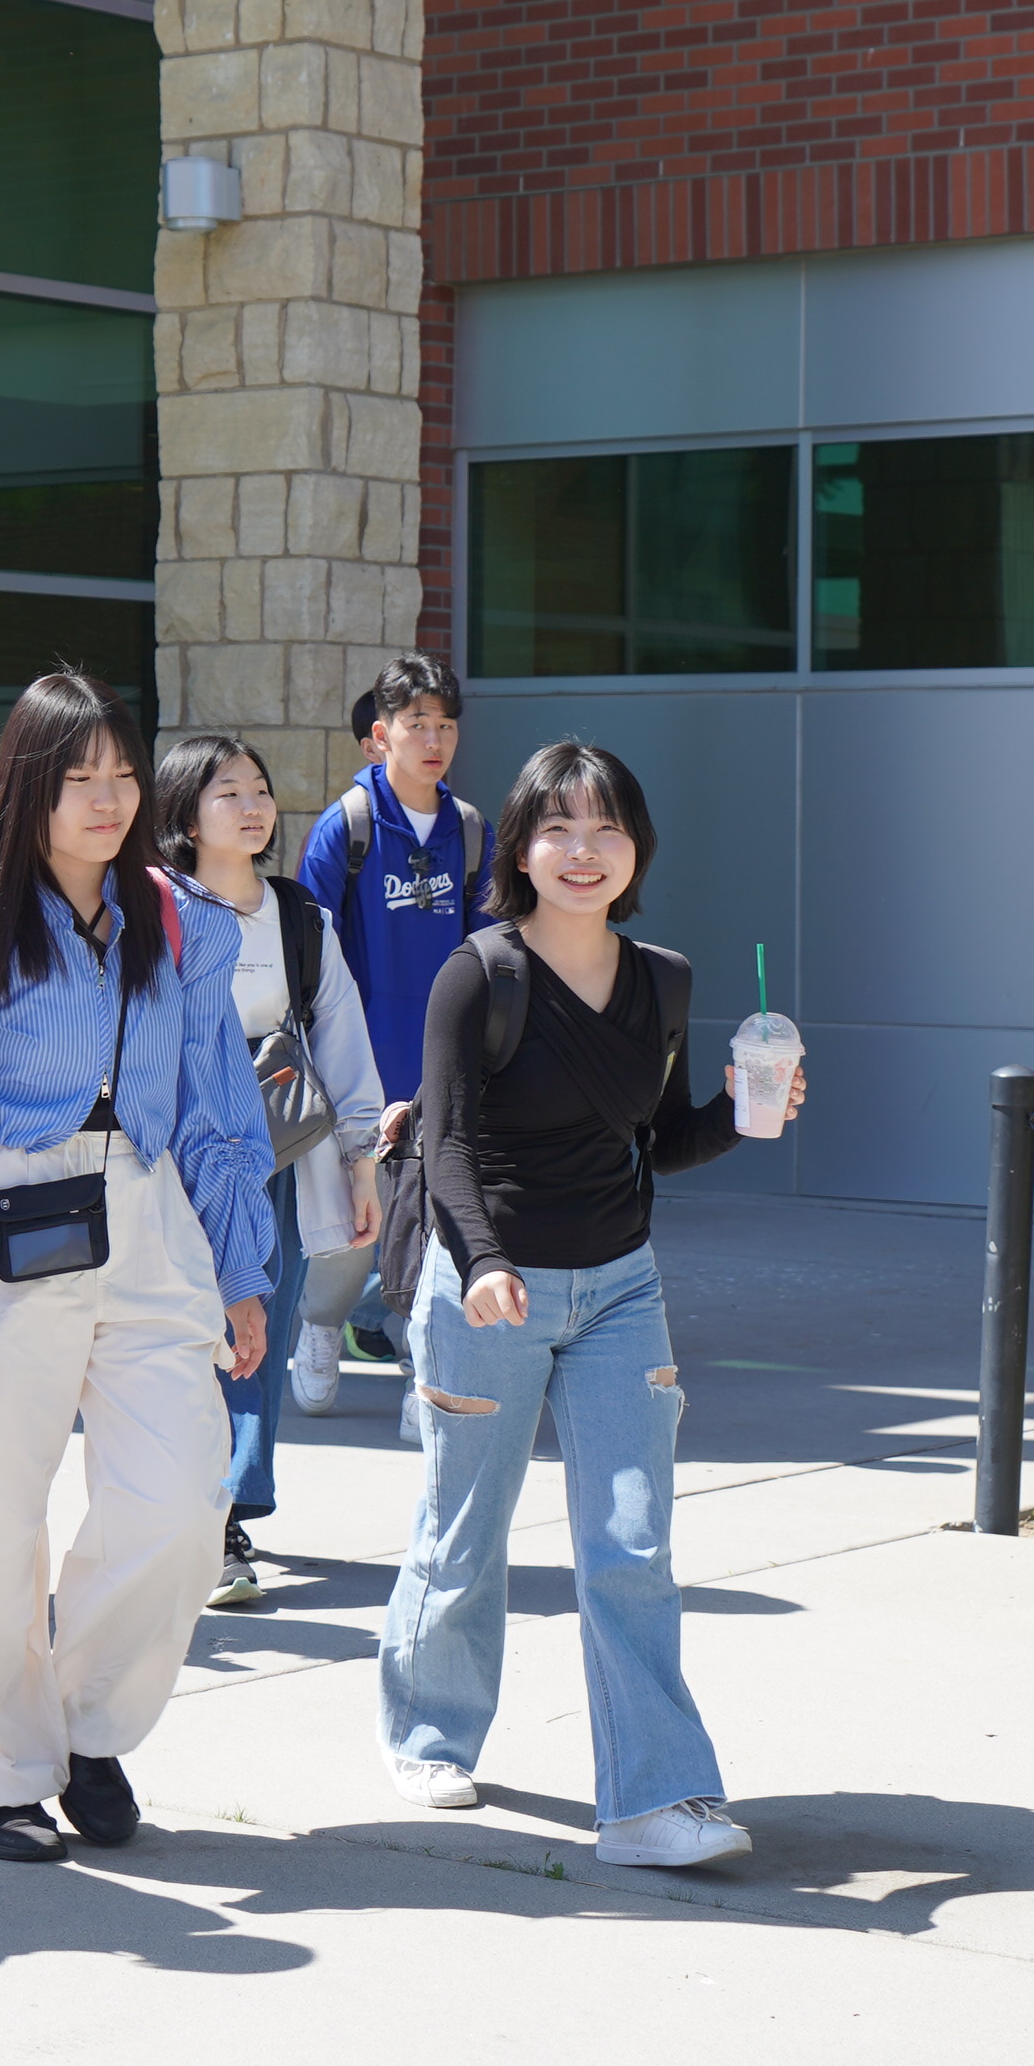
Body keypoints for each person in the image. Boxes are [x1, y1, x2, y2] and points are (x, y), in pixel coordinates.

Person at [0, 670, 279, 1863]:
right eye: (79, 776)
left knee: (181, 1502)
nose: (107, 798)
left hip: (149, 1221)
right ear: (30, 789)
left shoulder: (185, 924)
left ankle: (91, 1730)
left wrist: (242, 1268)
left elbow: (218, 1108)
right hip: (8, 1223)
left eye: (122, 774)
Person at [375, 739, 807, 1871]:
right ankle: (427, 1732)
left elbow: (659, 1141)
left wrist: (742, 1108)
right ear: (519, 845)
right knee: (465, 1528)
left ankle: (651, 1801)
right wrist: (476, 1261)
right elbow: (448, 1140)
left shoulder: (662, 978)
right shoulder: (480, 971)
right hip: (491, 1285)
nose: (582, 849)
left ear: (635, 849)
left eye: (605, 827)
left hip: (622, 1284)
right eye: (558, 827)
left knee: (633, 1543)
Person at [150, 732, 385, 1606]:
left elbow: (342, 1042)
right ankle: (184, 1503)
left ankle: (228, 1517)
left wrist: (362, 1163)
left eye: (259, 791)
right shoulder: (153, 909)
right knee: (180, 1329)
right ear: (184, 809)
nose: (253, 807)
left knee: (260, 1326)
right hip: (168, 1152)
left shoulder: (298, 916)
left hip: (277, 1150)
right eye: (228, 793)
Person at [294, 652, 495, 1398]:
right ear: (381, 735)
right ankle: (320, 1329)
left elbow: (487, 950)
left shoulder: (472, 832)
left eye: (446, 725)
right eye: (418, 725)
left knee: (439, 1225)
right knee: (353, 1226)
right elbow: (310, 949)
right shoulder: (344, 827)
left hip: (441, 1064)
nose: (434, 740)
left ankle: (423, 1370)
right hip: (358, 1062)